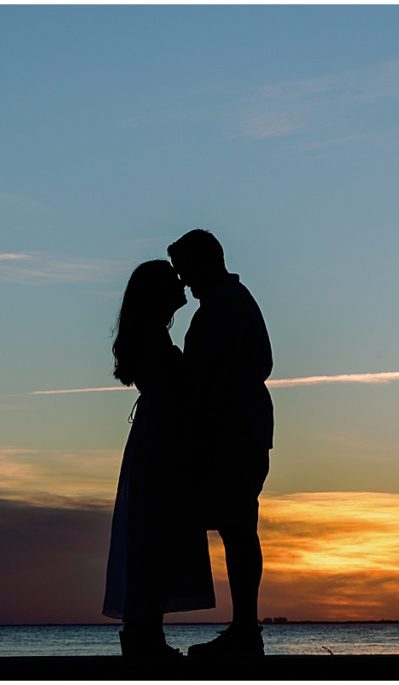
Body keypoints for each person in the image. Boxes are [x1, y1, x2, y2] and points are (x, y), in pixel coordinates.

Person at [168, 230, 273, 658]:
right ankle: (244, 628)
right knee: (237, 528)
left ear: (204, 263)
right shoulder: (227, 302)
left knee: (238, 528)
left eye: (185, 271)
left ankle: (245, 630)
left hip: (235, 434)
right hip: (236, 431)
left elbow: (249, 366)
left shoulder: (228, 303)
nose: (184, 283)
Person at [102, 259, 216, 657]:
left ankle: (146, 633)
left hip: (160, 437)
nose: (182, 283)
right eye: (173, 281)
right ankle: (143, 636)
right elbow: (176, 388)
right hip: (161, 442)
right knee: (153, 534)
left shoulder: (149, 335)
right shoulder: (152, 339)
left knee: (155, 537)